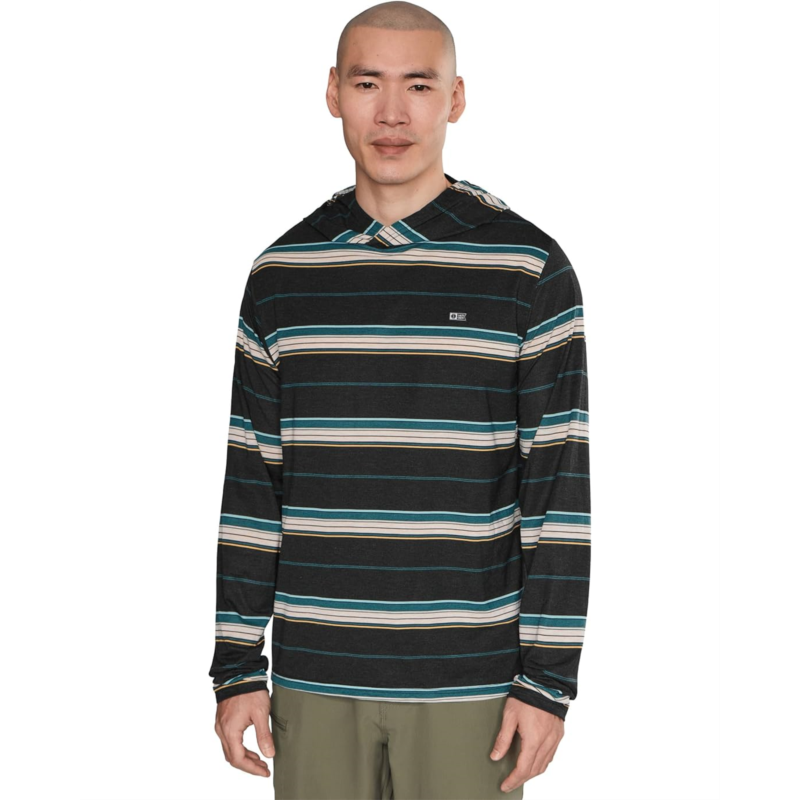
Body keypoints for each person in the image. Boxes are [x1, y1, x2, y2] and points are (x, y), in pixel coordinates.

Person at [209, 2, 591, 797]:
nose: (391, 113)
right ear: (332, 93)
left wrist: (547, 682)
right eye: (367, 83)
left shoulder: (527, 268)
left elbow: (558, 492)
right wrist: (237, 666)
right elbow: (251, 486)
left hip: (471, 684)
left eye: (418, 85)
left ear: (456, 98)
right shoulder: (281, 276)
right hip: (313, 679)